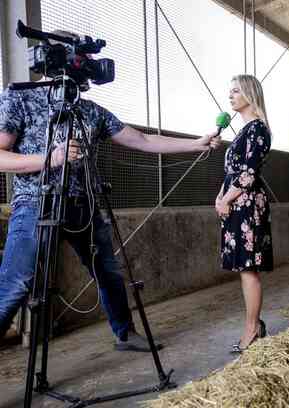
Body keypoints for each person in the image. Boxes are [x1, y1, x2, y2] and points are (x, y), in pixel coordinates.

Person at [0, 30, 221, 352]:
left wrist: (195, 144)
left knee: (108, 271)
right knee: (17, 282)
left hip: (83, 204)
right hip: (36, 203)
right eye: (82, 57)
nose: (88, 64)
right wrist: (51, 158)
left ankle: (125, 333)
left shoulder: (91, 111)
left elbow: (142, 141)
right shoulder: (20, 98)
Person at [215, 74, 273, 353]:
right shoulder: (242, 131)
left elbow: (249, 174)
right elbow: (231, 172)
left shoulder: (258, 129)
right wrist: (220, 198)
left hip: (247, 203)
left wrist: (226, 198)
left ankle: (252, 329)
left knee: (248, 269)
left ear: (250, 94)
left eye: (236, 90)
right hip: (234, 202)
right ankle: (255, 325)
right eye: (230, 90)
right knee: (242, 268)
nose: (230, 95)